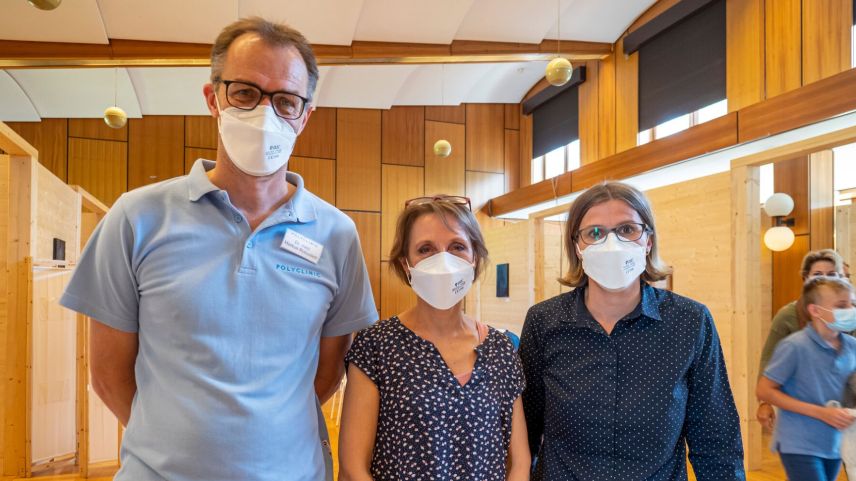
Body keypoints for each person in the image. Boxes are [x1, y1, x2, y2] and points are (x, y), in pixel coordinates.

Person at [59, 17, 377, 481]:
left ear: (305, 116)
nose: (265, 114)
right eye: (245, 93)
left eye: (285, 101)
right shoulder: (136, 217)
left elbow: (326, 375)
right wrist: (177, 445)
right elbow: (109, 374)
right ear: (213, 98)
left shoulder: (336, 235)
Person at [519, 181, 745, 481]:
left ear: (648, 240)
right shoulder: (544, 321)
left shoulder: (690, 321)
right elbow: (524, 432)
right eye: (595, 233)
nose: (612, 244)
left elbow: (716, 438)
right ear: (577, 246)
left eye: (627, 229)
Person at [338, 195, 530, 481]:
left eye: (457, 247)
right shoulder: (377, 346)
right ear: (406, 263)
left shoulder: (501, 350)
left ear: (474, 258)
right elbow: (354, 467)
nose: (443, 260)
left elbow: (519, 462)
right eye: (426, 249)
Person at [756, 276, 856, 481]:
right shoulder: (794, 346)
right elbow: (764, 390)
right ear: (815, 310)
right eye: (841, 305)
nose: (850, 310)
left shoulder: (852, 346)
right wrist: (821, 413)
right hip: (799, 443)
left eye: (852, 303)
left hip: (834, 443)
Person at [757, 249, 846, 430]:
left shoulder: (848, 315)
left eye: (831, 274)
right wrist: (764, 403)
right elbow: (768, 359)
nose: (825, 279)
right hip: (801, 408)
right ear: (805, 278)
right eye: (818, 274)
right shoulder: (788, 316)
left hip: (844, 405)